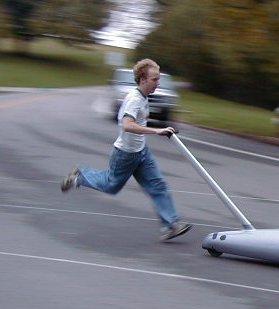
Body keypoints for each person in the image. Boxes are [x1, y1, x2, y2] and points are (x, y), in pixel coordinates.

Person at [61, 58, 192, 242]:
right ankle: (80, 176)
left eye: (158, 79)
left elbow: (138, 121)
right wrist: (157, 130)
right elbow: (128, 125)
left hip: (141, 152)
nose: (158, 83)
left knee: (158, 185)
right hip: (125, 154)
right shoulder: (134, 99)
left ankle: (171, 225)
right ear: (142, 80)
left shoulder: (144, 97)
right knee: (110, 186)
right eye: (155, 79)